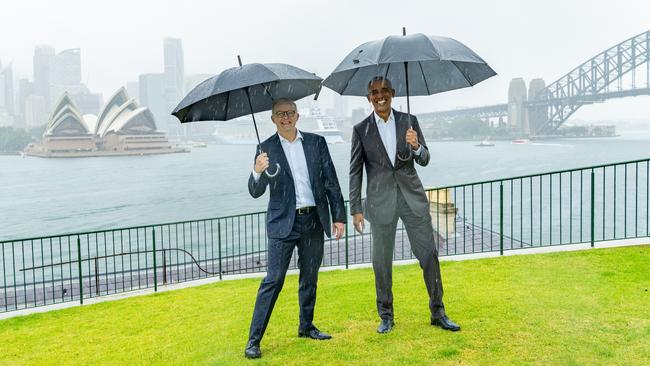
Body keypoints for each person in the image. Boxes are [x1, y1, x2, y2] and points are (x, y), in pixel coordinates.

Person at [349, 76, 460, 334]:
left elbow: (425, 159)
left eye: (384, 91)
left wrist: (417, 146)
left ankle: (438, 312)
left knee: (429, 256)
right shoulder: (360, 130)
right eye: (374, 92)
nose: (380, 96)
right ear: (369, 98)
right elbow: (355, 172)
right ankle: (386, 315)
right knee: (381, 262)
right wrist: (356, 209)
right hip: (380, 204)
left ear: (393, 93)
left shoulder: (410, 122)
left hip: (412, 200)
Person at [244, 98, 347, 359]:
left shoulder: (316, 143)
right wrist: (257, 171)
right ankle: (253, 341)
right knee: (273, 280)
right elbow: (256, 192)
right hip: (282, 224)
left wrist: (339, 216)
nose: (286, 117)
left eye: (290, 113)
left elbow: (331, 181)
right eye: (280, 114)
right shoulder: (264, 148)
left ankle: (306, 326)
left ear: (298, 116)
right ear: (273, 119)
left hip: (313, 220)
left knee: (309, 278)